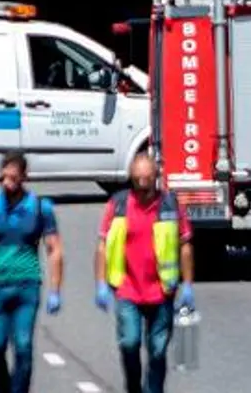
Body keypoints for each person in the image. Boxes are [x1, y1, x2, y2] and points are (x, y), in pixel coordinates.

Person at [93, 152, 195, 393]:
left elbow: (185, 245)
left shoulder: (171, 205)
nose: (142, 190)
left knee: (158, 351)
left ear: (156, 179)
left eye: (147, 183)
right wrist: (100, 282)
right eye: (137, 183)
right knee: (129, 343)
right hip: (127, 289)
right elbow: (102, 245)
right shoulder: (117, 206)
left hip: (161, 291)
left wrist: (188, 284)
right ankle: (133, 386)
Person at [0, 152, 62, 393]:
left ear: (24, 177)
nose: (7, 184)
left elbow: (54, 249)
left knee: (24, 345)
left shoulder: (40, 208)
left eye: (13, 179)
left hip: (27, 285)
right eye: (3, 178)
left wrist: (55, 290)